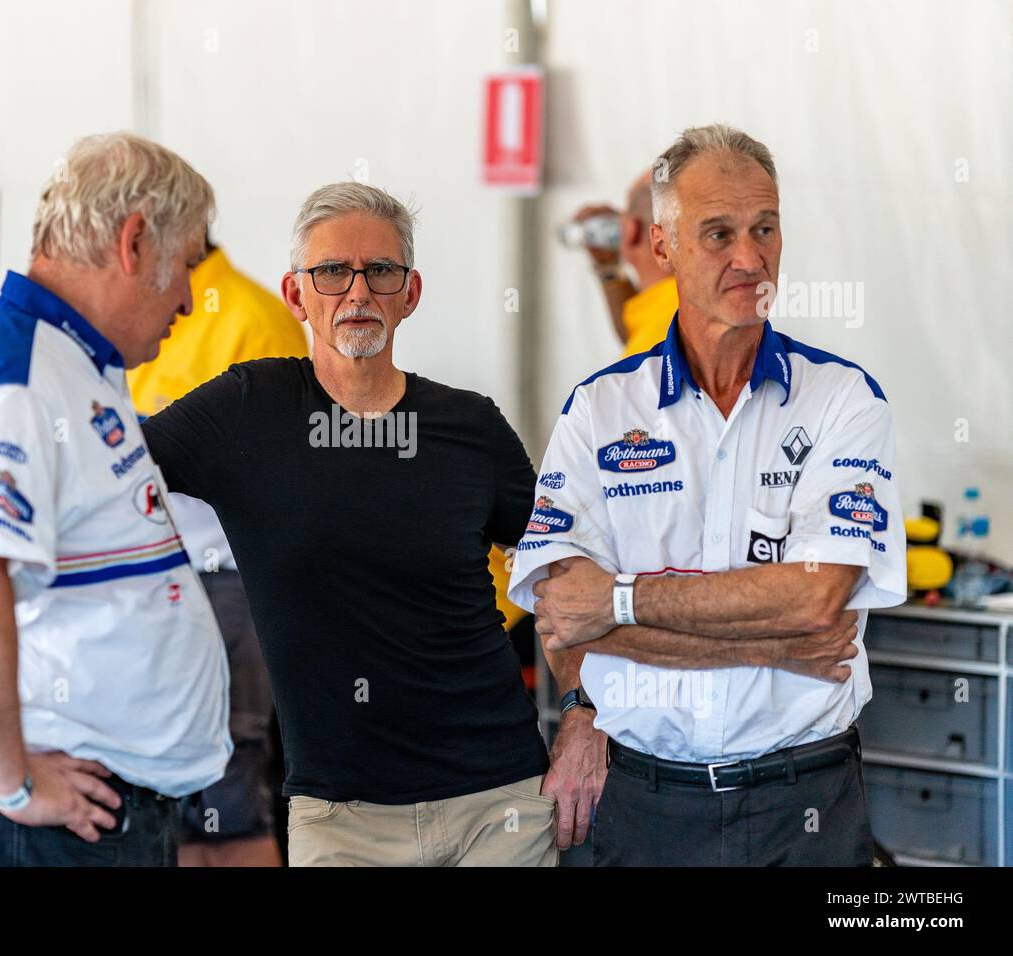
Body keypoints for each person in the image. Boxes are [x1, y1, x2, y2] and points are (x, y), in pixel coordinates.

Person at [142, 182, 574, 867]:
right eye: (332, 272)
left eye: (380, 271)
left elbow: (562, 568)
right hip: (339, 816)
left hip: (499, 799)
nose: (357, 292)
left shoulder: (470, 426)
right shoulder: (247, 411)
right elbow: (112, 460)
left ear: (411, 292)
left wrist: (581, 714)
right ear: (296, 295)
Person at [509, 124, 906, 866]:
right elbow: (563, 616)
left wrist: (617, 605)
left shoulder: (844, 400)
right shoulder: (599, 411)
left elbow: (816, 604)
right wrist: (767, 640)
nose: (749, 259)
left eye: (765, 229)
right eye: (718, 233)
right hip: (640, 802)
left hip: (803, 803)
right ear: (661, 248)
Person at [0, 132, 230, 866]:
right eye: (189, 265)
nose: (191, 299)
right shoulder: (25, 372)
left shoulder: (58, 360)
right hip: (37, 821)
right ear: (135, 242)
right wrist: (12, 785)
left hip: (64, 810)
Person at [127, 237, 307, 867]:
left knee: (229, 786)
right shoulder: (145, 309)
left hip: (230, 579)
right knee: (176, 796)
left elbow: (287, 475)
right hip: (159, 581)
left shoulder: (252, 318)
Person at [573, 167, 678, 356]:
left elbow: (646, 340)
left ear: (631, 230)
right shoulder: (711, 302)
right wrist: (608, 268)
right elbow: (635, 331)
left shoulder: (650, 351)